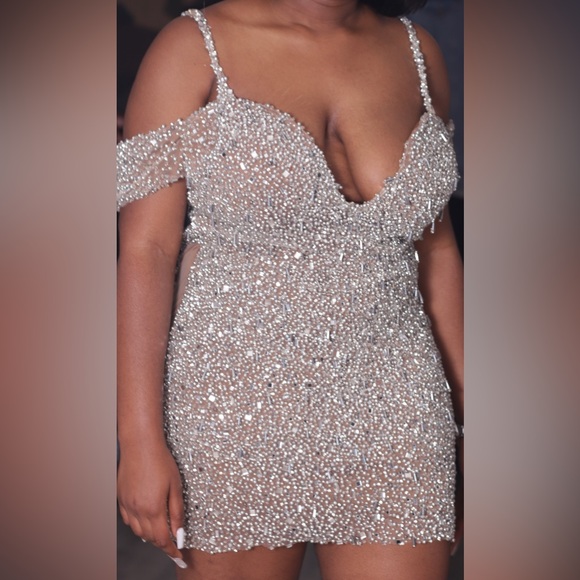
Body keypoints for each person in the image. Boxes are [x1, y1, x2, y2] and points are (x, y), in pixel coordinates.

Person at [116, 1, 464, 578]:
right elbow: (146, 253)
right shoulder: (192, 46)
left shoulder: (417, 50)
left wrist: (472, 421)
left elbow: (438, 251)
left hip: (401, 412)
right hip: (232, 412)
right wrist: (139, 439)